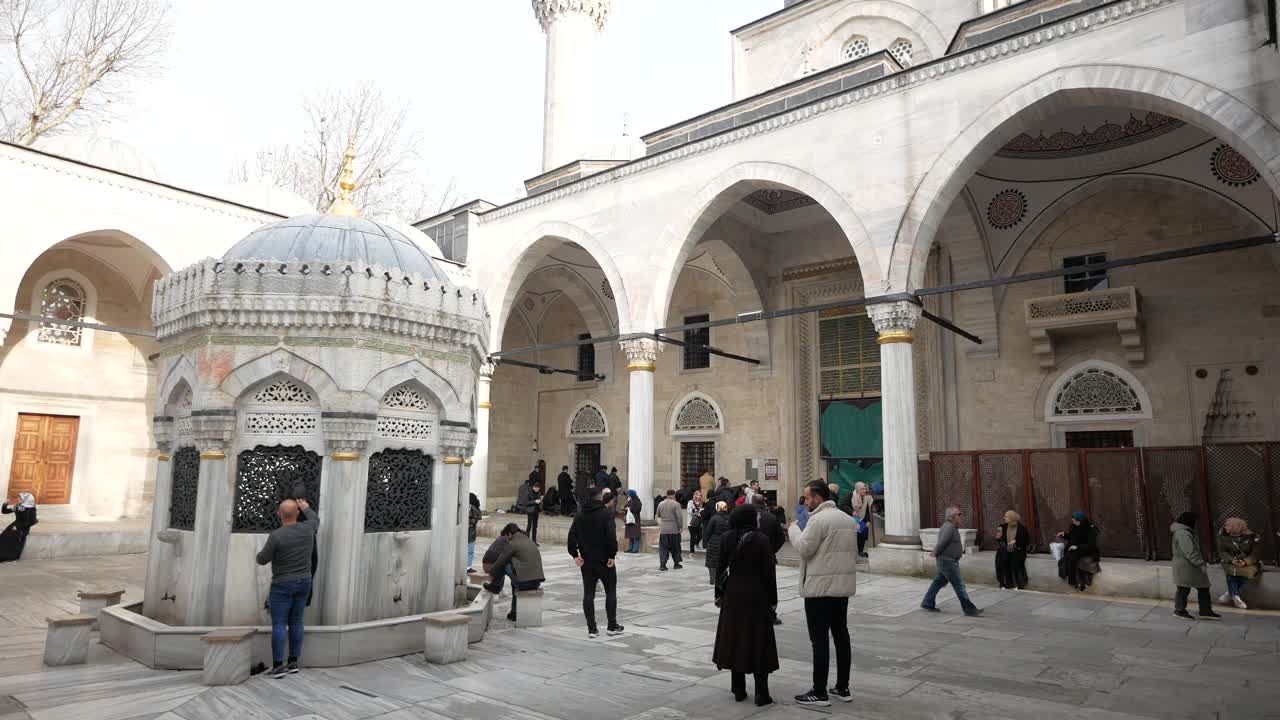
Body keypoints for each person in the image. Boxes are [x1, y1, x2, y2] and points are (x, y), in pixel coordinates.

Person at [787, 480, 858, 707]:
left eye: (807, 497)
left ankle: (819, 691)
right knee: (841, 635)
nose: (805, 501)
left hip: (819, 591)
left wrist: (793, 529)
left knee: (819, 641)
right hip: (840, 589)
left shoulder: (818, 520)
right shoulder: (847, 519)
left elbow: (804, 547)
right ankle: (842, 686)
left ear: (818, 498)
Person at [712, 505, 779, 707]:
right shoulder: (761, 540)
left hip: (733, 595)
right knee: (758, 641)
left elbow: (720, 568)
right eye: (756, 516)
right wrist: (773, 600)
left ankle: (738, 689)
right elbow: (769, 573)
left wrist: (719, 594)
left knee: (735, 639)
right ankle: (761, 693)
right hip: (756, 596)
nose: (759, 519)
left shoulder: (726, 538)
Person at [255, 497, 320, 678]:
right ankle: (293, 663)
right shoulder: (308, 528)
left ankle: (277, 666)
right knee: (297, 621)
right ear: (297, 513)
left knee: (279, 624)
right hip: (304, 581)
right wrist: (306, 507)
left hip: (282, 585)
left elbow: (262, 559)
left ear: (279, 515)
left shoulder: (276, 536)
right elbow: (315, 519)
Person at [568, 488, 625, 638]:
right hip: (604, 560)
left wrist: (575, 554)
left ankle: (592, 629)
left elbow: (571, 536)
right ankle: (611, 625)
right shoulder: (606, 514)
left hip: (587, 560)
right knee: (610, 592)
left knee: (588, 594)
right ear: (600, 498)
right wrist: (612, 554)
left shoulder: (580, 515)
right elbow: (611, 537)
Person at [920, 506, 982, 618]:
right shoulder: (949, 527)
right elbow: (942, 542)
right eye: (959, 514)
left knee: (938, 582)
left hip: (948, 561)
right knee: (959, 585)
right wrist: (935, 552)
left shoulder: (952, 527)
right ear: (952, 517)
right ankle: (969, 609)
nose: (960, 516)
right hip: (947, 561)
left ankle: (927, 602)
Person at [484, 523, 545, 622]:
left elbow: (500, 560)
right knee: (514, 580)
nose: (507, 539)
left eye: (506, 537)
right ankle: (514, 612)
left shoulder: (512, 543)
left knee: (504, 562)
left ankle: (495, 586)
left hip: (524, 583)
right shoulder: (530, 541)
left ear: (509, 534)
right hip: (536, 582)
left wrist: (492, 574)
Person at [1171, 512, 1221, 621]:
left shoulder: (1186, 531)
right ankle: (1180, 610)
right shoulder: (1183, 533)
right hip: (1187, 566)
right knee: (1183, 588)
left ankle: (1205, 610)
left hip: (1190, 566)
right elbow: (1189, 551)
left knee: (1203, 587)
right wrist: (1200, 562)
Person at [752, 495, 786, 625]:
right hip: (768, 557)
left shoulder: (747, 515)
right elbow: (781, 538)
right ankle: (771, 614)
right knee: (770, 585)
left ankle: (753, 613)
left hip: (750, 557)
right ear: (764, 503)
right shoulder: (771, 517)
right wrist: (772, 550)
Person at [1217, 517, 1262, 609]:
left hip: (1248, 562)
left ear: (1236, 527)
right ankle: (1235, 596)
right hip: (1230, 561)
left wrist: (1245, 562)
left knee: (1247, 573)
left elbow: (1255, 553)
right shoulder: (1223, 536)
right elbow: (1222, 552)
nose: (1225, 527)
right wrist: (1231, 560)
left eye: (1228, 525)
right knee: (1231, 572)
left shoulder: (1250, 537)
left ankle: (1230, 593)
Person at [1057, 512, 1100, 591]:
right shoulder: (1075, 527)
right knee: (1064, 559)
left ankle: (1073, 581)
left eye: (1075, 521)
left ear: (1081, 521)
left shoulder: (1090, 530)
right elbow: (1072, 538)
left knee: (1072, 557)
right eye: (1073, 521)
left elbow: (1091, 545)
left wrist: (1077, 546)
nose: (1073, 522)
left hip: (1087, 550)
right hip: (1075, 549)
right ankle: (1072, 580)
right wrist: (1064, 534)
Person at [994, 510, 1030, 590]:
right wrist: (998, 537)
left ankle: (1017, 584)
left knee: (1015, 565)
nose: (1004, 518)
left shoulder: (1022, 528)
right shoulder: (1002, 526)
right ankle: (1005, 584)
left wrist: (1015, 542)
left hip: (1017, 551)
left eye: (1006, 516)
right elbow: (998, 539)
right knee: (1003, 564)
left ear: (1012, 517)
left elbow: (1026, 541)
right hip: (1005, 552)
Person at [0, 493, 38, 563]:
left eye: (20, 498)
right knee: (3, 537)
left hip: (23, 528)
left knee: (13, 539)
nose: (18, 499)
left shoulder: (31, 509)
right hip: (14, 525)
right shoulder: (18, 506)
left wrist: (18, 527)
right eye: (18, 498)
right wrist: (5, 503)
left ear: (26, 499)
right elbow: (4, 511)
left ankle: (9, 557)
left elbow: (33, 521)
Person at [704, 501, 732, 585]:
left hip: (714, 542)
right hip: (726, 541)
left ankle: (713, 579)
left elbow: (708, 531)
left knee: (712, 561)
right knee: (724, 561)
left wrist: (706, 542)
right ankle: (723, 578)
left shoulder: (714, 518)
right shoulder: (730, 518)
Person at [656, 489, 685, 571]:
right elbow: (679, 517)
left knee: (663, 548)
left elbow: (658, 514)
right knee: (675, 548)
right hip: (674, 529)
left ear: (667, 494)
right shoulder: (676, 504)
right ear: (674, 495)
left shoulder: (661, 503)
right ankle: (676, 564)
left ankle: (662, 565)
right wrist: (680, 527)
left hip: (664, 529)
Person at [850, 482, 873, 558]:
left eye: (865, 489)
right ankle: (853, 552)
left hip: (862, 519)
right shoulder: (851, 496)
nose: (864, 490)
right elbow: (843, 505)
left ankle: (860, 551)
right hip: (853, 518)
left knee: (862, 536)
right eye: (862, 489)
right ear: (857, 489)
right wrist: (852, 511)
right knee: (854, 536)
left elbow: (866, 510)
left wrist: (868, 521)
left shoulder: (866, 498)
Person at [517, 479, 543, 544]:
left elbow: (539, 499)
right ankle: (527, 541)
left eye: (538, 489)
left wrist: (540, 501)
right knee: (529, 526)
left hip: (536, 511)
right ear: (534, 487)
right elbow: (525, 502)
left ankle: (534, 541)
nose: (537, 490)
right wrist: (534, 501)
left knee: (535, 527)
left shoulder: (538, 492)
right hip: (530, 511)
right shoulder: (528, 492)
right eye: (537, 488)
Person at [467, 493, 482, 573]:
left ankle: (467, 567)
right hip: (470, 532)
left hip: (468, 531)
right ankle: (468, 567)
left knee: (468, 551)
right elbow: (478, 517)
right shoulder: (472, 507)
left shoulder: (469, 506)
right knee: (470, 551)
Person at [687, 490, 704, 555]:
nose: (699, 496)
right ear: (695, 495)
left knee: (700, 535)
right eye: (698, 495)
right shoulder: (691, 502)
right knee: (693, 537)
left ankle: (696, 543)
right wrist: (694, 510)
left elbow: (701, 511)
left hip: (699, 521)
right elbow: (689, 511)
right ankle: (692, 551)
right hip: (692, 522)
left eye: (700, 495)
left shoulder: (701, 502)